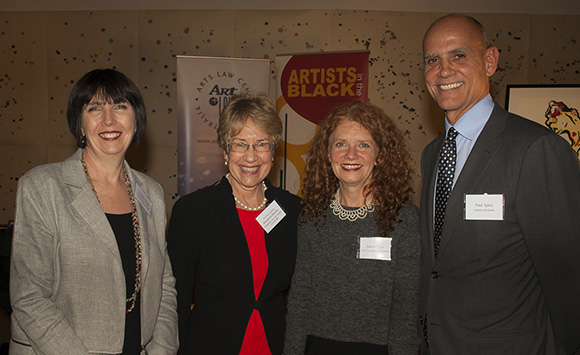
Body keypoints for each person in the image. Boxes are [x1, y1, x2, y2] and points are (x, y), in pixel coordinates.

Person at [419, 13, 580, 355]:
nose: (444, 71)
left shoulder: (536, 149)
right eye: (433, 60)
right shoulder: (432, 154)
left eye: (458, 56)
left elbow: (567, 276)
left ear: (490, 61)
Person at [10, 69, 179, 354]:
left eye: (120, 106)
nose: (109, 120)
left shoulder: (151, 192)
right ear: (79, 124)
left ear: (135, 121)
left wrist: (161, 350)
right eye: (95, 108)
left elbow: (164, 286)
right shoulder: (42, 188)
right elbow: (29, 296)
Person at [167, 93, 302, 355]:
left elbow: (297, 297)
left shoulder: (293, 210)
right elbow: (176, 300)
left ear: (273, 151)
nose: (251, 157)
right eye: (240, 144)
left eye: (261, 144)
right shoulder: (193, 210)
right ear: (225, 150)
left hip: (276, 347)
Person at [283, 100, 420, 355]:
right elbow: (300, 297)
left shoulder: (403, 219)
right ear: (327, 153)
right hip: (317, 347)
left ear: (380, 155)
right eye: (341, 144)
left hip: (378, 350)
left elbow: (406, 308)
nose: (351, 155)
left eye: (364, 145)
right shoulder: (311, 217)